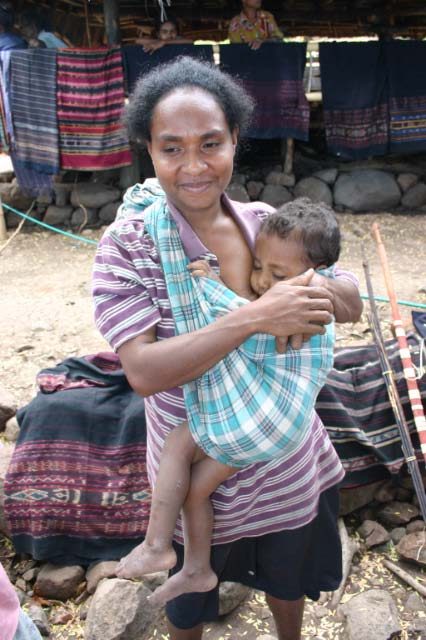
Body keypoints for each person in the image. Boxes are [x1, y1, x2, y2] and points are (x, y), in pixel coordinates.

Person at [92, 56, 362, 640]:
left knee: (288, 584)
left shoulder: (266, 224)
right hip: (193, 475)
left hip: (284, 460)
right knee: (190, 606)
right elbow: (143, 372)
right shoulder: (130, 249)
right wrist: (257, 316)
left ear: (235, 139)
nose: (194, 166)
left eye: (210, 144)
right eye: (172, 148)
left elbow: (349, 298)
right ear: (148, 149)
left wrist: (319, 289)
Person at [115, 198, 342, 607]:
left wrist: (210, 285)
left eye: (278, 275)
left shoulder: (308, 307)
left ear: (317, 274)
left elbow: (248, 325)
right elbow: (255, 315)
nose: (262, 282)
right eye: (258, 267)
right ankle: (197, 569)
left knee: (177, 444)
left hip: (268, 417)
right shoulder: (302, 291)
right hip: (280, 426)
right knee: (195, 491)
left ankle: (156, 544)